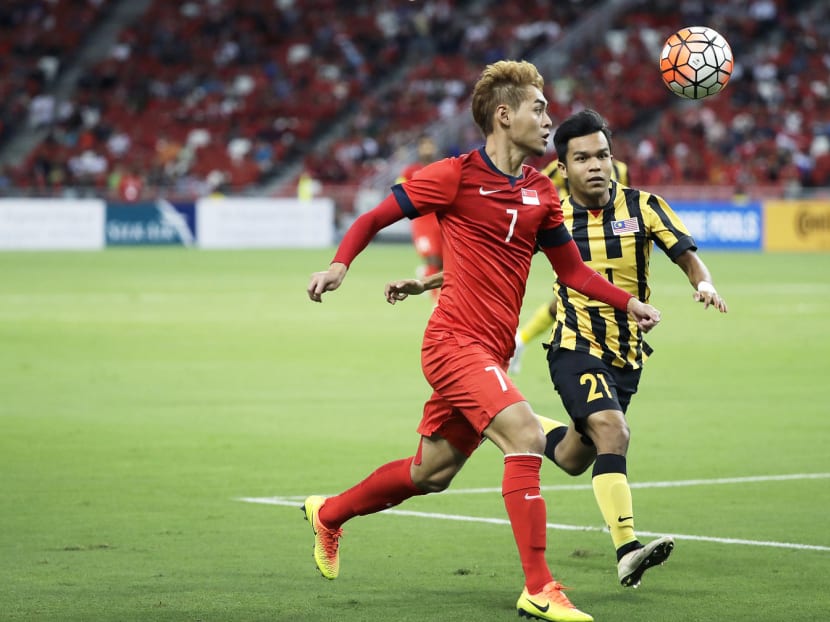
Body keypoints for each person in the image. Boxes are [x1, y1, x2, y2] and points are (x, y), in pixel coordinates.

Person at [305, 61, 661, 622]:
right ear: (504, 115)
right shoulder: (453, 176)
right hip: (452, 343)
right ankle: (540, 587)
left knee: (432, 473)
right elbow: (375, 216)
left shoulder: (543, 191)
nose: (549, 121)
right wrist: (339, 265)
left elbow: (572, 272)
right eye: (539, 109)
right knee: (524, 436)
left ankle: (329, 513)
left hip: (488, 354)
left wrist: (627, 301)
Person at [388, 109, 728, 590]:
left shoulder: (646, 207)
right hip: (574, 346)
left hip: (627, 354)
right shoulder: (553, 213)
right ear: (563, 169)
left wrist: (705, 284)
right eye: (583, 158)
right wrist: (427, 284)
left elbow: (686, 255)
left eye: (603, 155)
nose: (596, 166)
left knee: (573, 456)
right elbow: (491, 260)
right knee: (614, 431)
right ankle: (627, 549)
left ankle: (503, 422)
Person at [508, 155, 630, 374]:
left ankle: (521, 340)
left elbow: (624, 207)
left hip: (603, 244)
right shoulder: (559, 168)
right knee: (573, 295)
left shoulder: (621, 170)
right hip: (571, 240)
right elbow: (533, 188)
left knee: (564, 302)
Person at [396, 134, 443, 302]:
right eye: (424, 145)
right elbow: (399, 193)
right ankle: (435, 302)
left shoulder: (443, 167)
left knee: (443, 264)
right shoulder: (410, 171)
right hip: (422, 222)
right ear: (419, 148)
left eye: (430, 145)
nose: (428, 148)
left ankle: (427, 277)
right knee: (433, 259)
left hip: (441, 221)